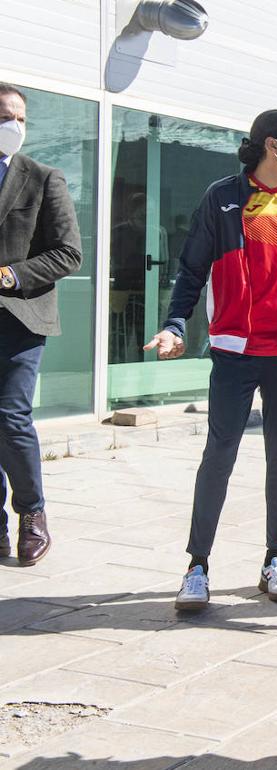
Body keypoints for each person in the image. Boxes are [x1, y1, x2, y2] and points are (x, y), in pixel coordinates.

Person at [144, 109, 277, 612]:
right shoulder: (223, 196)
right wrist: (175, 326)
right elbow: (192, 268)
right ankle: (197, 566)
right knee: (219, 455)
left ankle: (275, 559)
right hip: (235, 351)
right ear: (271, 145)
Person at [0, 82, 83, 566]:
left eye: (21, 118)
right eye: (6, 116)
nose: (15, 126)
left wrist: (11, 274)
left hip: (20, 315)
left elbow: (68, 252)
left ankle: (32, 514)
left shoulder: (43, 177)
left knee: (10, 416)